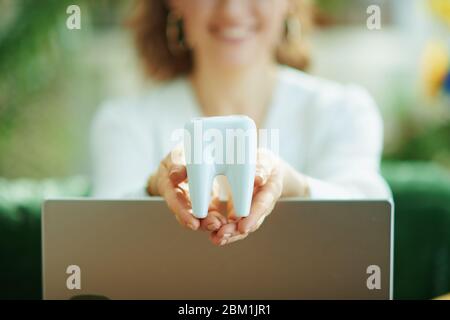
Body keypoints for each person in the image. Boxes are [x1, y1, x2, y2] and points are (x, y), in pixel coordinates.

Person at [90, 0, 391, 246]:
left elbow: (370, 217)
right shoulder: (123, 122)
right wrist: (152, 189)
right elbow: (99, 240)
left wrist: (296, 186)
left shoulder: (343, 111)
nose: (232, 9)